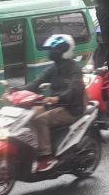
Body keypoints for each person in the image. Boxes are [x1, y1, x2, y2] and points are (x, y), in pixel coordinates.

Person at [18, 34, 85, 172]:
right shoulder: (54, 67)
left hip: (71, 108)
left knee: (40, 120)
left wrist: (58, 98)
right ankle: (33, 148)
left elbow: (73, 90)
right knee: (29, 114)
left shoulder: (74, 69)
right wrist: (16, 92)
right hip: (55, 105)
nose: (51, 52)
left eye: (55, 49)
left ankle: (45, 156)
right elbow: (36, 83)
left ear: (64, 51)